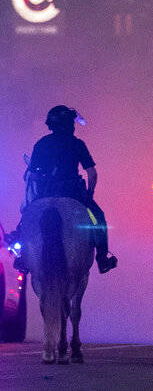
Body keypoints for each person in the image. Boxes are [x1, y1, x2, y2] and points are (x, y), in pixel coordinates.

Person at [14, 106, 117, 273]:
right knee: (98, 218)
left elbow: (32, 176)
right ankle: (102, 258)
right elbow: (92, 173)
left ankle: (23, 257)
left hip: (45, 194)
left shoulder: (41, 144)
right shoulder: (77, 144)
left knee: (27, 219)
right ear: (69, 124)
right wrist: (89, 195)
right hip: (74, 194)